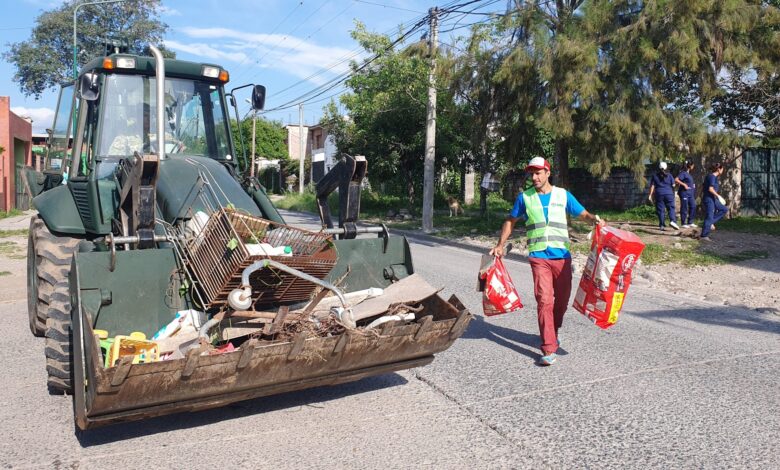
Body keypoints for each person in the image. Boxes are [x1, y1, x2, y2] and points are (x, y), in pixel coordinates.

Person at [490, 157, 603, 366]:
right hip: (538, 256)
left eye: (538, 173)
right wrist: (500, 245)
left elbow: (584, 214)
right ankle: (548, 347)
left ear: (547, 173)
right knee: (544, 300)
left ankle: (554, 329)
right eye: (532, 173)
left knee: (560, 302)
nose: (534, 177)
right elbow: (510, 221)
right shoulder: (525, 198)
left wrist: (595, 219)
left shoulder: (563, 195)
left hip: (562, 257)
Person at [699, 162, 728, 241]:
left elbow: (702, 186)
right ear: (719, 169)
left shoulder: (713, 177)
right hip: (709, 199)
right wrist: (718, 196)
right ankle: (704, 236)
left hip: (712, 198)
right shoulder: (711, 177)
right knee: (709, 216)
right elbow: (710, 189)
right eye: (722, 169)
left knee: (724, 209)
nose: (723, 170)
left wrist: (699, 194)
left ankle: (711, 222)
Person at [648, 162, 679, 231]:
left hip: (659, 194)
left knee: (661, 210)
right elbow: (673, 185)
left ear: (659, 168)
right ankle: (673, 221)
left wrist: (650, 195)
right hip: (669, 194)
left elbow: (652, 186)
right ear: (666, 168)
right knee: (671, 208)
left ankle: (662, 225)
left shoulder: (655, 176)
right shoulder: (670, 175)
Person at [675, 161, 697, 228]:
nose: (693, 166)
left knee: (693, 206)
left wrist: (692, 185)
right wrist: (684, 184)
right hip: (684, 193)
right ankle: (683, 223)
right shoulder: (683, 173)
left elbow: (688, 182)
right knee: (684, 207)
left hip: (690, 194)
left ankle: (690, 222)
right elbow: (676, 179)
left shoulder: (689, 174)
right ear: (690, 166)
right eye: (693, 165)